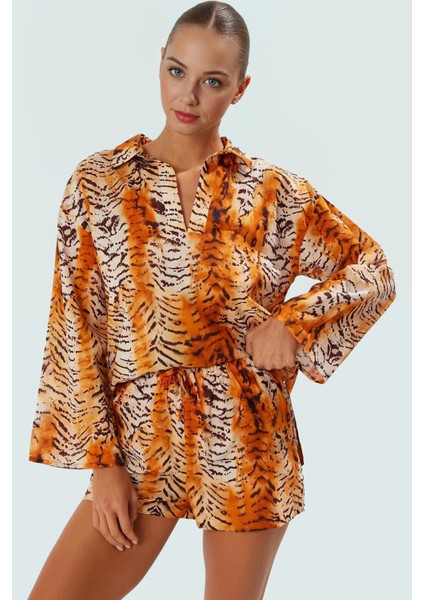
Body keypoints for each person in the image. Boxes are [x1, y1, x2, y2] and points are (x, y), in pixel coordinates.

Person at [27, 1, 396, 598]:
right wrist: (102, 463)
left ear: (240, 89)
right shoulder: (99, 183)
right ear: (160, 64)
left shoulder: (271, 192)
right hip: (140, 435)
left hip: (247, 436)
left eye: (213, 81)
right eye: (177, 71)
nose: (189, 95)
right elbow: (75, 324)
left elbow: (373, 269)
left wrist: (294, 325)